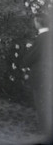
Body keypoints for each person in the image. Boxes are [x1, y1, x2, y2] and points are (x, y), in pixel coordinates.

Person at [22, 12, 52, 140]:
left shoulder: (40, 39)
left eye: (35, 21)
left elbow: (28, 59)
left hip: (41, 76)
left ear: (38, 23)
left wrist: (27, 53)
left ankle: (45, 130)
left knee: (41, 102)